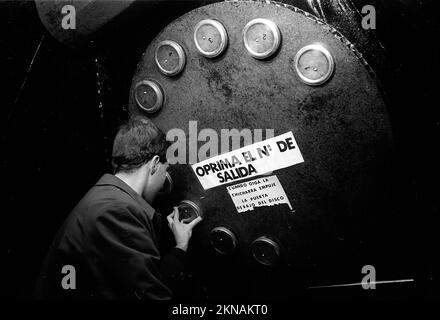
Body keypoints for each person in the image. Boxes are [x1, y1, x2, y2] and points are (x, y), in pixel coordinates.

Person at [35, 117, 202, 299]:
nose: (164, 181)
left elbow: (140, 283)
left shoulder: (106, 198)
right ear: (154, 164)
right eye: (165, 170)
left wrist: (180, 245)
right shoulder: (117, 211)